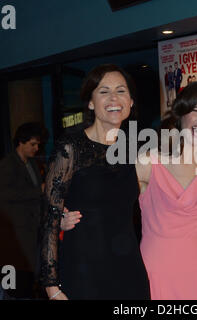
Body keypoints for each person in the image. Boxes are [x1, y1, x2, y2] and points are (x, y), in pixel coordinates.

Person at [39, 64, 150, 300]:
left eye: (121, 91)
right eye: (103, 91)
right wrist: (52, 287)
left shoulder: (135, 147)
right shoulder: (71, 147)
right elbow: (48, 218)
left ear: (130, 102)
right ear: (90, 102)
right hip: (83, 271)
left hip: (129, 270)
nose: (113, 98)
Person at [135, 81, 197, 300]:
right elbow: (111, 206)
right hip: (153, 272)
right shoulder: (148, 161)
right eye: (196, 110)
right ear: (181, 112)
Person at [0, 122, 45, 299]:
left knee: (30, 273)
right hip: (17, 231)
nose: (36, 148)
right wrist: (38, 190)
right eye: (33, 144)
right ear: (21, 142)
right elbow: (4, 194)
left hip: (32, 228)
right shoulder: (8, 164)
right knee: (19, 279)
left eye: (38, 144)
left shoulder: (31, 164)